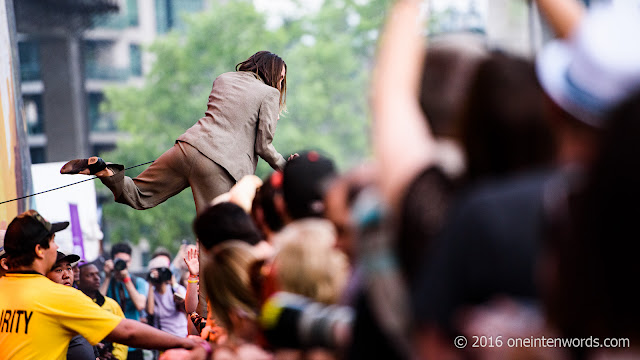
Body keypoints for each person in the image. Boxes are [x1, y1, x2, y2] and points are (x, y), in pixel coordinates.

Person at [60, 51, 296, 215]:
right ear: (272, 73)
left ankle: (106, 170)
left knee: (141, 194)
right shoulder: (269, 94)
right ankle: (208, 290)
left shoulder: (223, 79)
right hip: (220, 166)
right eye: (281, 77)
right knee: (217, 232)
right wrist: (290, 170)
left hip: (187, 148)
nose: (281, 83)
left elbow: (231, 116)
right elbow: (263, 146)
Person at [0, 210, 205, 360]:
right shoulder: (56, 296)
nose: (57, 246)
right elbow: (127, 331)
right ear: (39, 250)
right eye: (53, 241)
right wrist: (184, 341)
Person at [100, 242, 149, 360]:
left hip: (134, 342)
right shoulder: (105, 280)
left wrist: (126, 279)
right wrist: (107, 277)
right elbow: (97, 305)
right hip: (112, 341)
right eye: (119, 261)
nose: (123, 265)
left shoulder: (138, 282)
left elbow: (140, 305)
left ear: (130, 261)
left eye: (126, 262)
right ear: (112, 261)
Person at [45, 251, 97, 360]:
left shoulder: (79, 300)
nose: (66, 275)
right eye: (58, 270)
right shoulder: (43, 307)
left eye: (69, 269)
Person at [78, 262, 129, 360]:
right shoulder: (75, 304)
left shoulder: (111, 304)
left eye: (97, 274)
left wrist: (117, 357)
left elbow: (122, 334)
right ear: (78, 279)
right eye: (90, 275)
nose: (96, 278)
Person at [146, 254, 188, 338]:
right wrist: (151, 282)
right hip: (163, 338)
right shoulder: (152, 293)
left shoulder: (176, 289)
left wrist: (174, 283)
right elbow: (150, 311)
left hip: (181, 335)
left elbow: (186, 304)